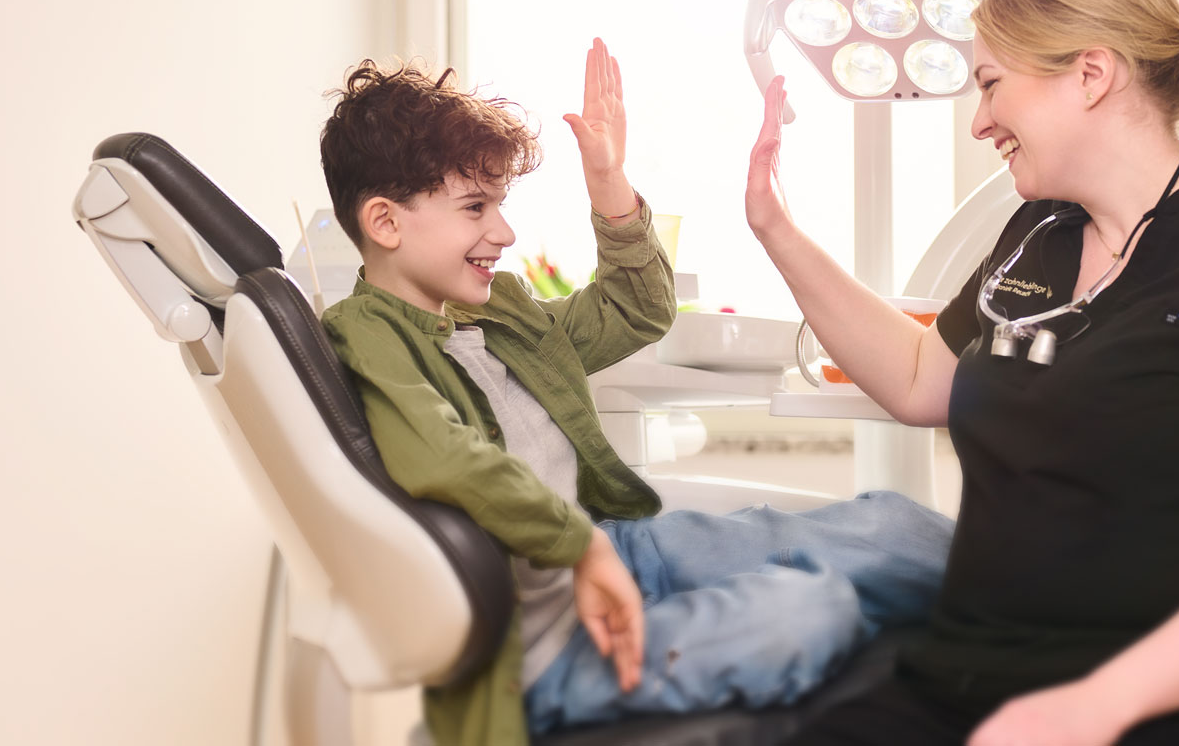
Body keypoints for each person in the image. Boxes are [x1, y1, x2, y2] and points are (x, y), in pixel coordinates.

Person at [750, 0, 1179, 745]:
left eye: (990, 85)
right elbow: (914, 381)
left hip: (1168, 713)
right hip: (968, 687)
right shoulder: (1037, 237)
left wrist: (1096, 706)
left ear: (1089, 75)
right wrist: (776, 230)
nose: (978, 123)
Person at [316, 41, 954, 746]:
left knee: (896, 528)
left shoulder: (496, 312)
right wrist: (579, 553)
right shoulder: (366, 331)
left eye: (499, 204)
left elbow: (637, 309)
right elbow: (445, 455)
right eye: (475, 208)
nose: (503, 231)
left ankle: (1066, 615)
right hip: (548, 655)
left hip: (619, 549)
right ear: (385, 222)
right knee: (809, 610)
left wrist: (608, 179)